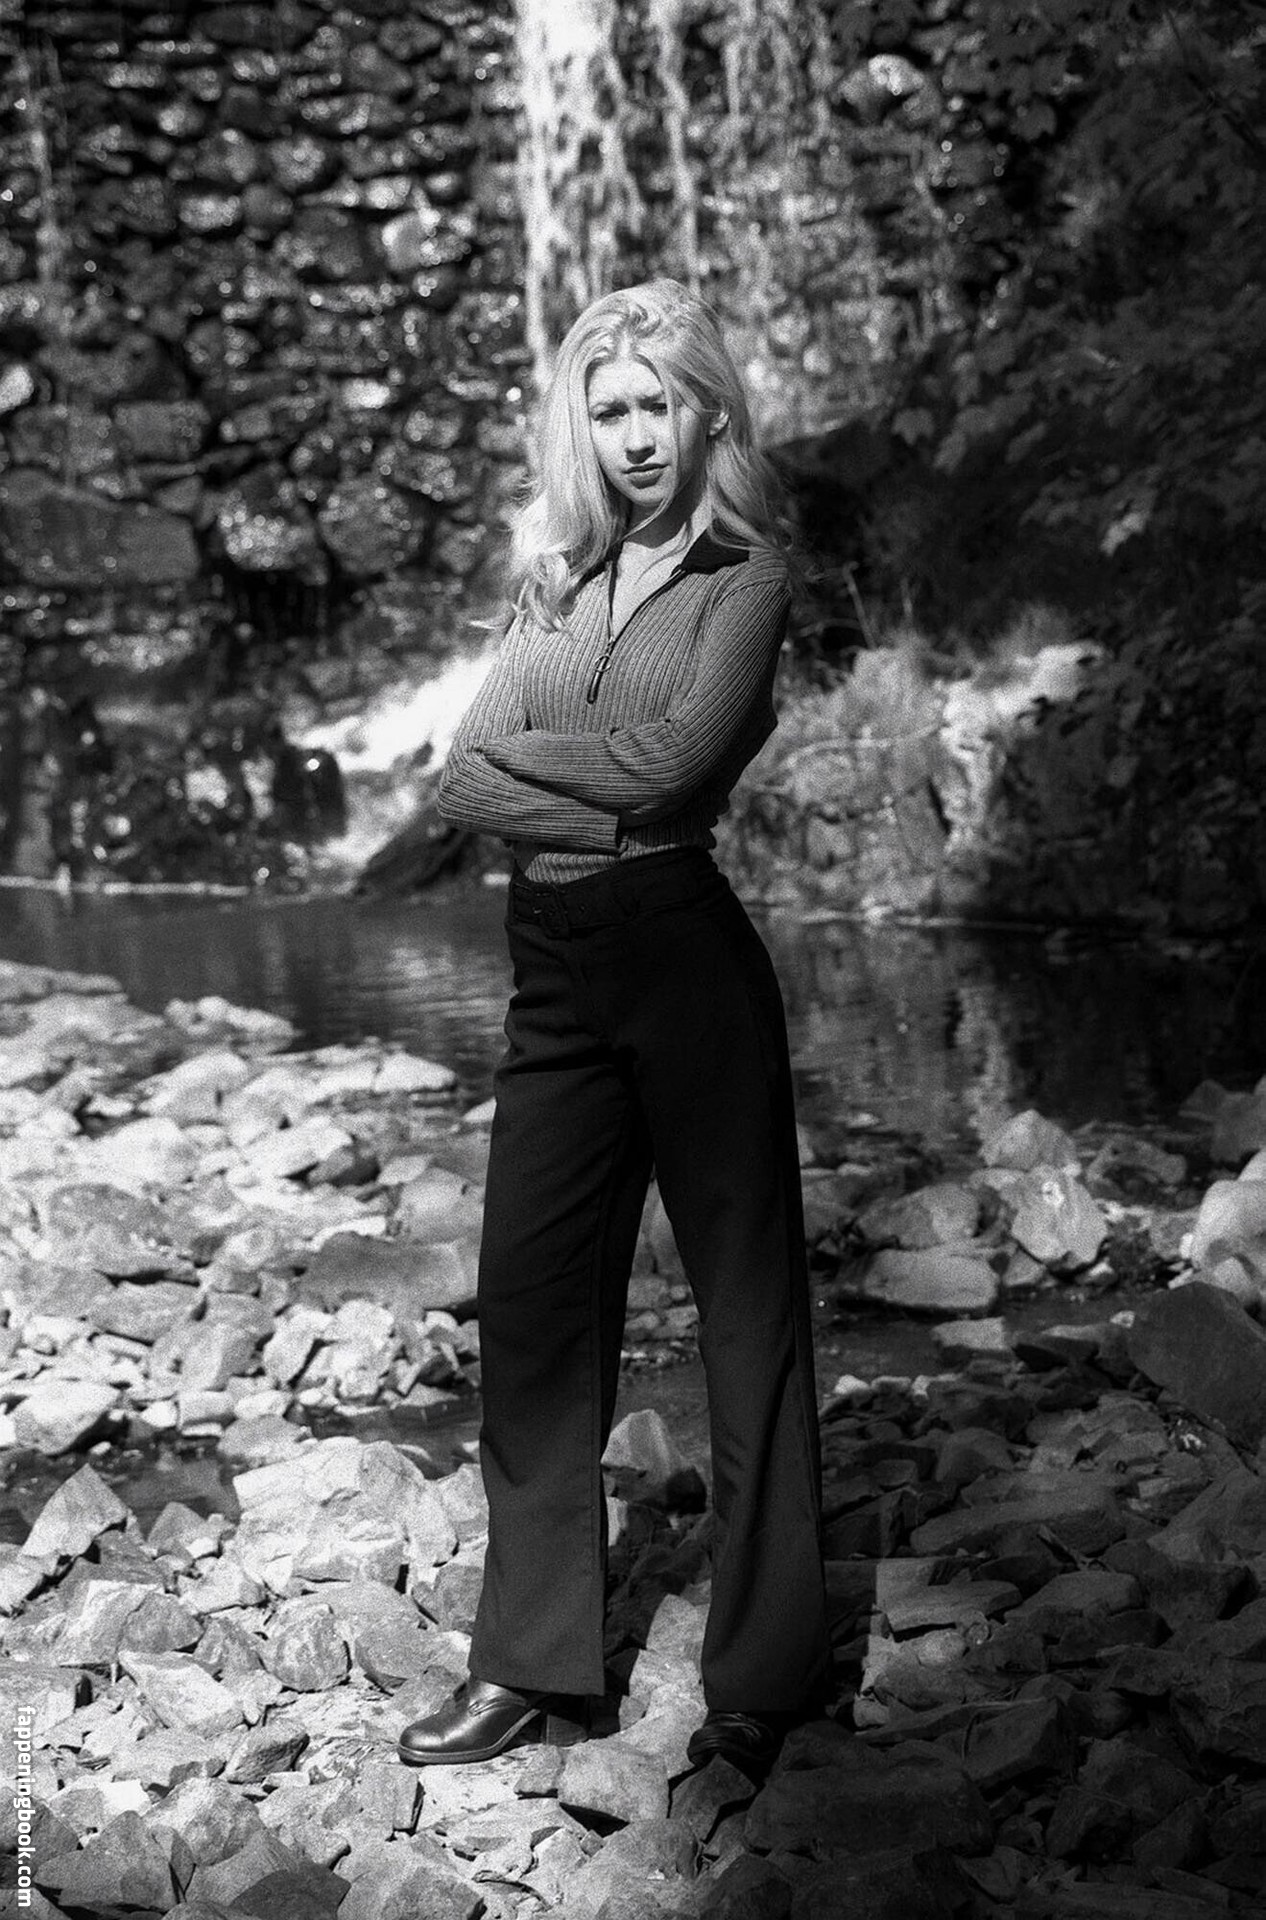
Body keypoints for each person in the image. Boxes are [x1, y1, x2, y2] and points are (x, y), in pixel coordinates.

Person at [397, 278, 830, 1775]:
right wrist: (595, 793)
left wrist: (560, 773)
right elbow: (461, 777)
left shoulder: (745, 578)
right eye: (611, 410)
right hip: (554, 967)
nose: (637, 435)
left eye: (660, 404)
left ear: (709, 413)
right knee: (529, 1310)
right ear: (578, 425)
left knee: (748, 1316)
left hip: (681, 958)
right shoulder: (558, 572)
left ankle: (764, 1676)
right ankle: (534, 1665)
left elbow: (672, 769)